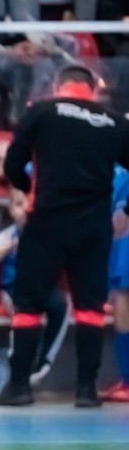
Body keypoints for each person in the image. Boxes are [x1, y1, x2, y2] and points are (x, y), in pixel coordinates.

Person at [0, 65, 129, 407]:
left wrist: (29, 188)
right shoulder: (116, 122)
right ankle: (86, 390)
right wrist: (126, 212)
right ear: (92, 89)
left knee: (28, 305)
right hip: (94, 226)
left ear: (58, 85)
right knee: (90, 308)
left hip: (46, 221)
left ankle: (19, 386)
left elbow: (12, 165)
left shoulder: (40, 111)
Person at [0, 187, 69, 385]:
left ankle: (43, 360)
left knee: (61, 305)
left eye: (31, 203)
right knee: (24, 308)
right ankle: (19, 363)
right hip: (13, 289)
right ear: (11, 209)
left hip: (41, 287)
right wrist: (9, 247)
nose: (26, 209)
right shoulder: (9, 234)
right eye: (19, 204)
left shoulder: (47, 233)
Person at [103, 164, 129, 402]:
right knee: (121, 312)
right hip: (118, 246)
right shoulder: (111, 169)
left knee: (123, 310)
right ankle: (126, 380)